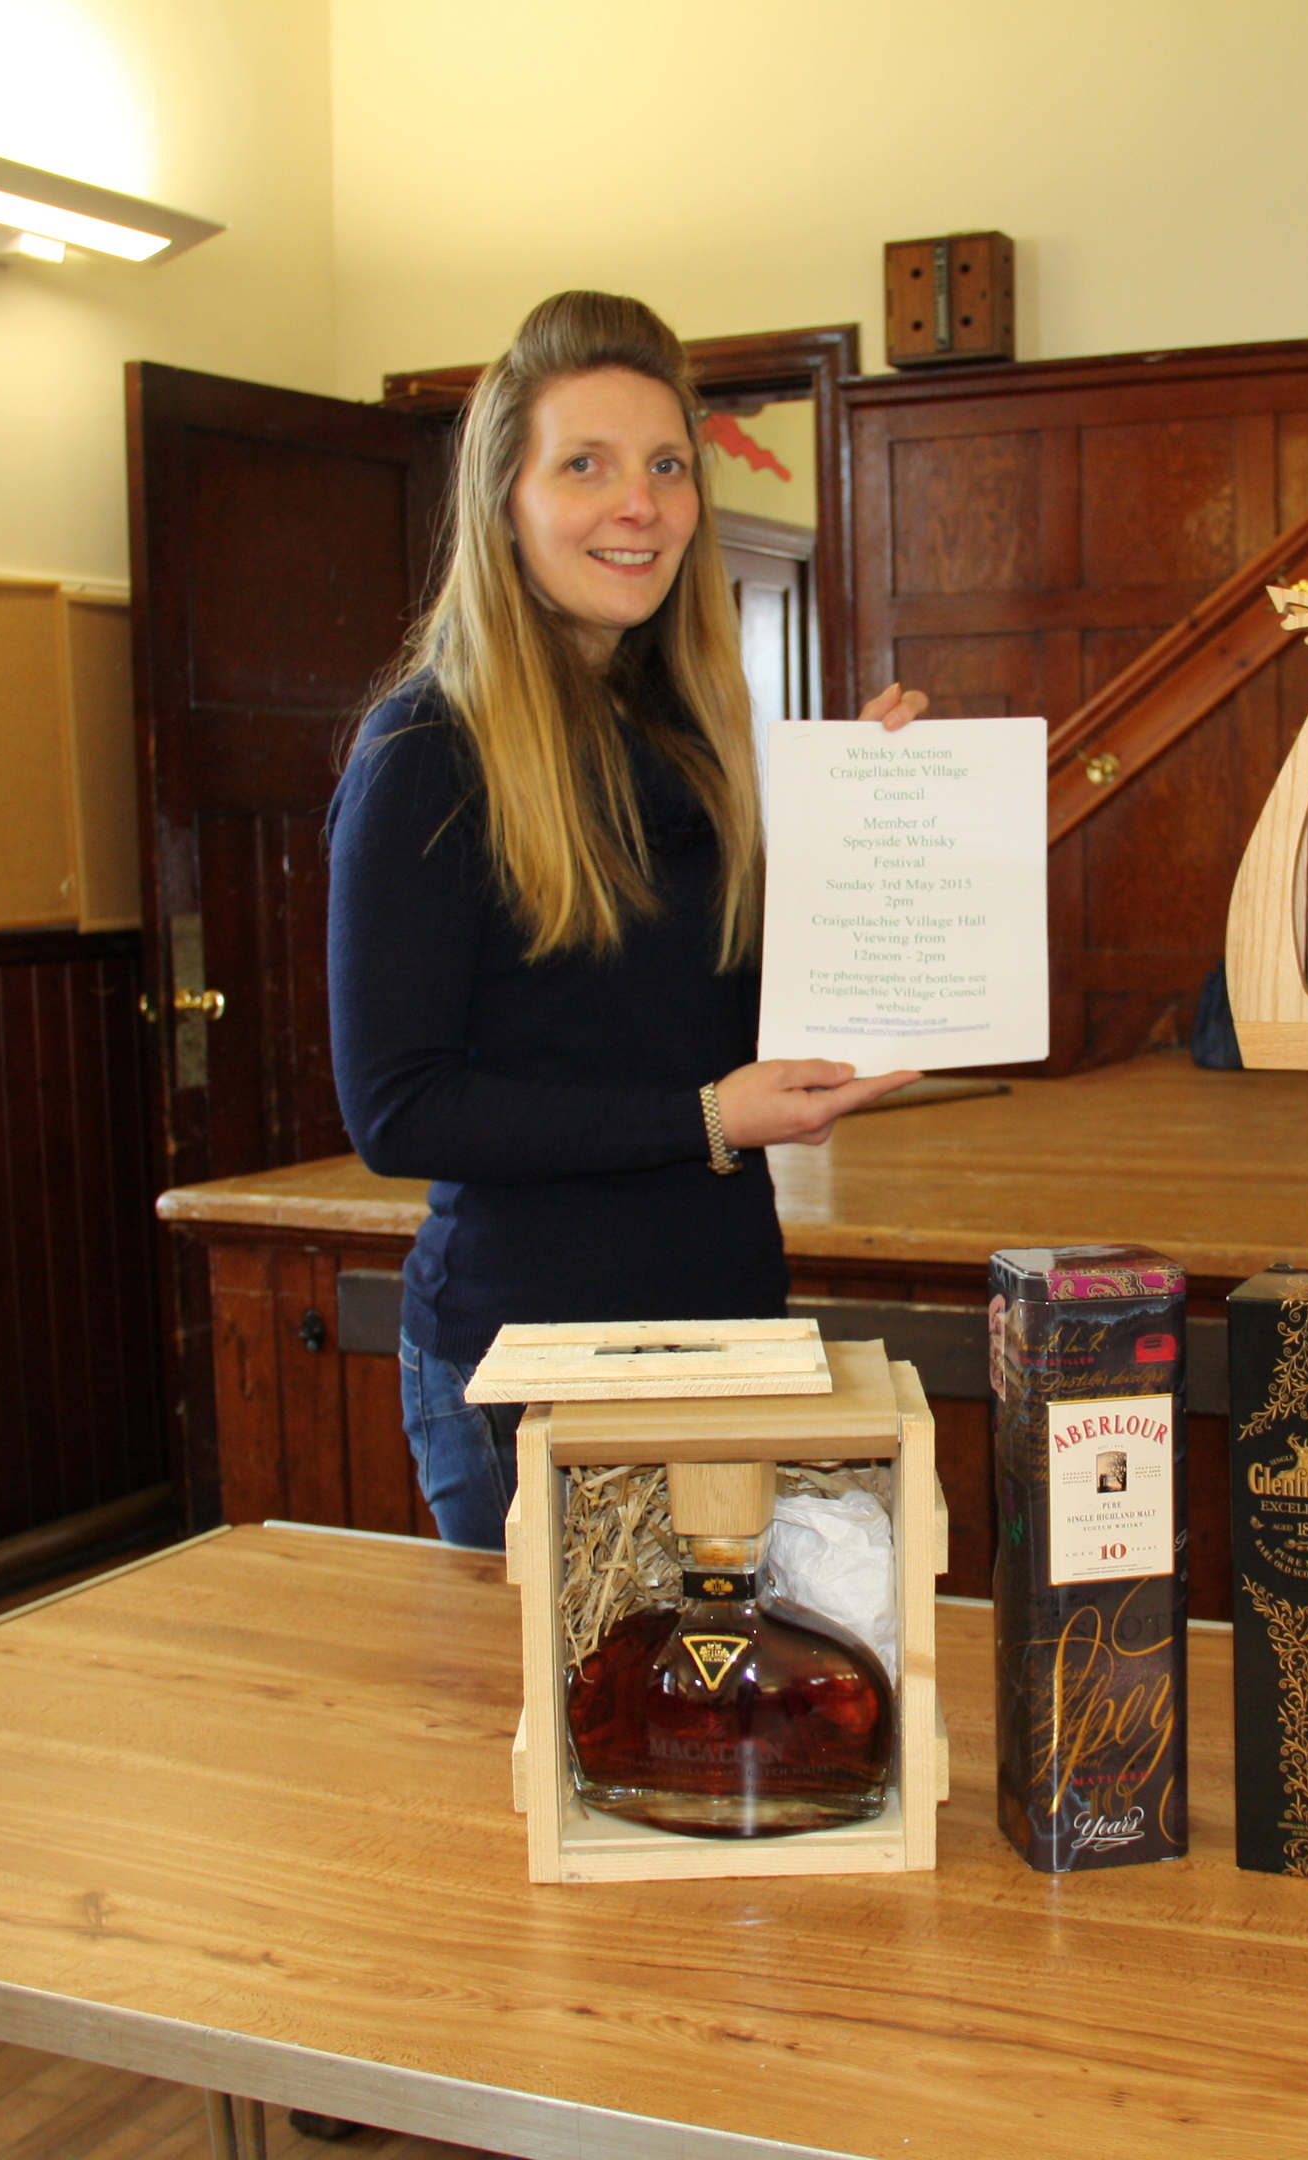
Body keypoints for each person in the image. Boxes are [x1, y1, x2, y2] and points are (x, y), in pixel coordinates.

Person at [327, 289, 923, 1550]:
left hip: (727, 1337)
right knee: (568, 1744)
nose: (637, 503)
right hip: (532, 1367)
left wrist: (873, 831)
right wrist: (704, 1120)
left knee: (715, 1741)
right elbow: (398, 1110)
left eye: (665, 465)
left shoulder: (695, 738)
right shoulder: (425, 751)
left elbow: (709, 1012)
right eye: (584, 465)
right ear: (507, 500)